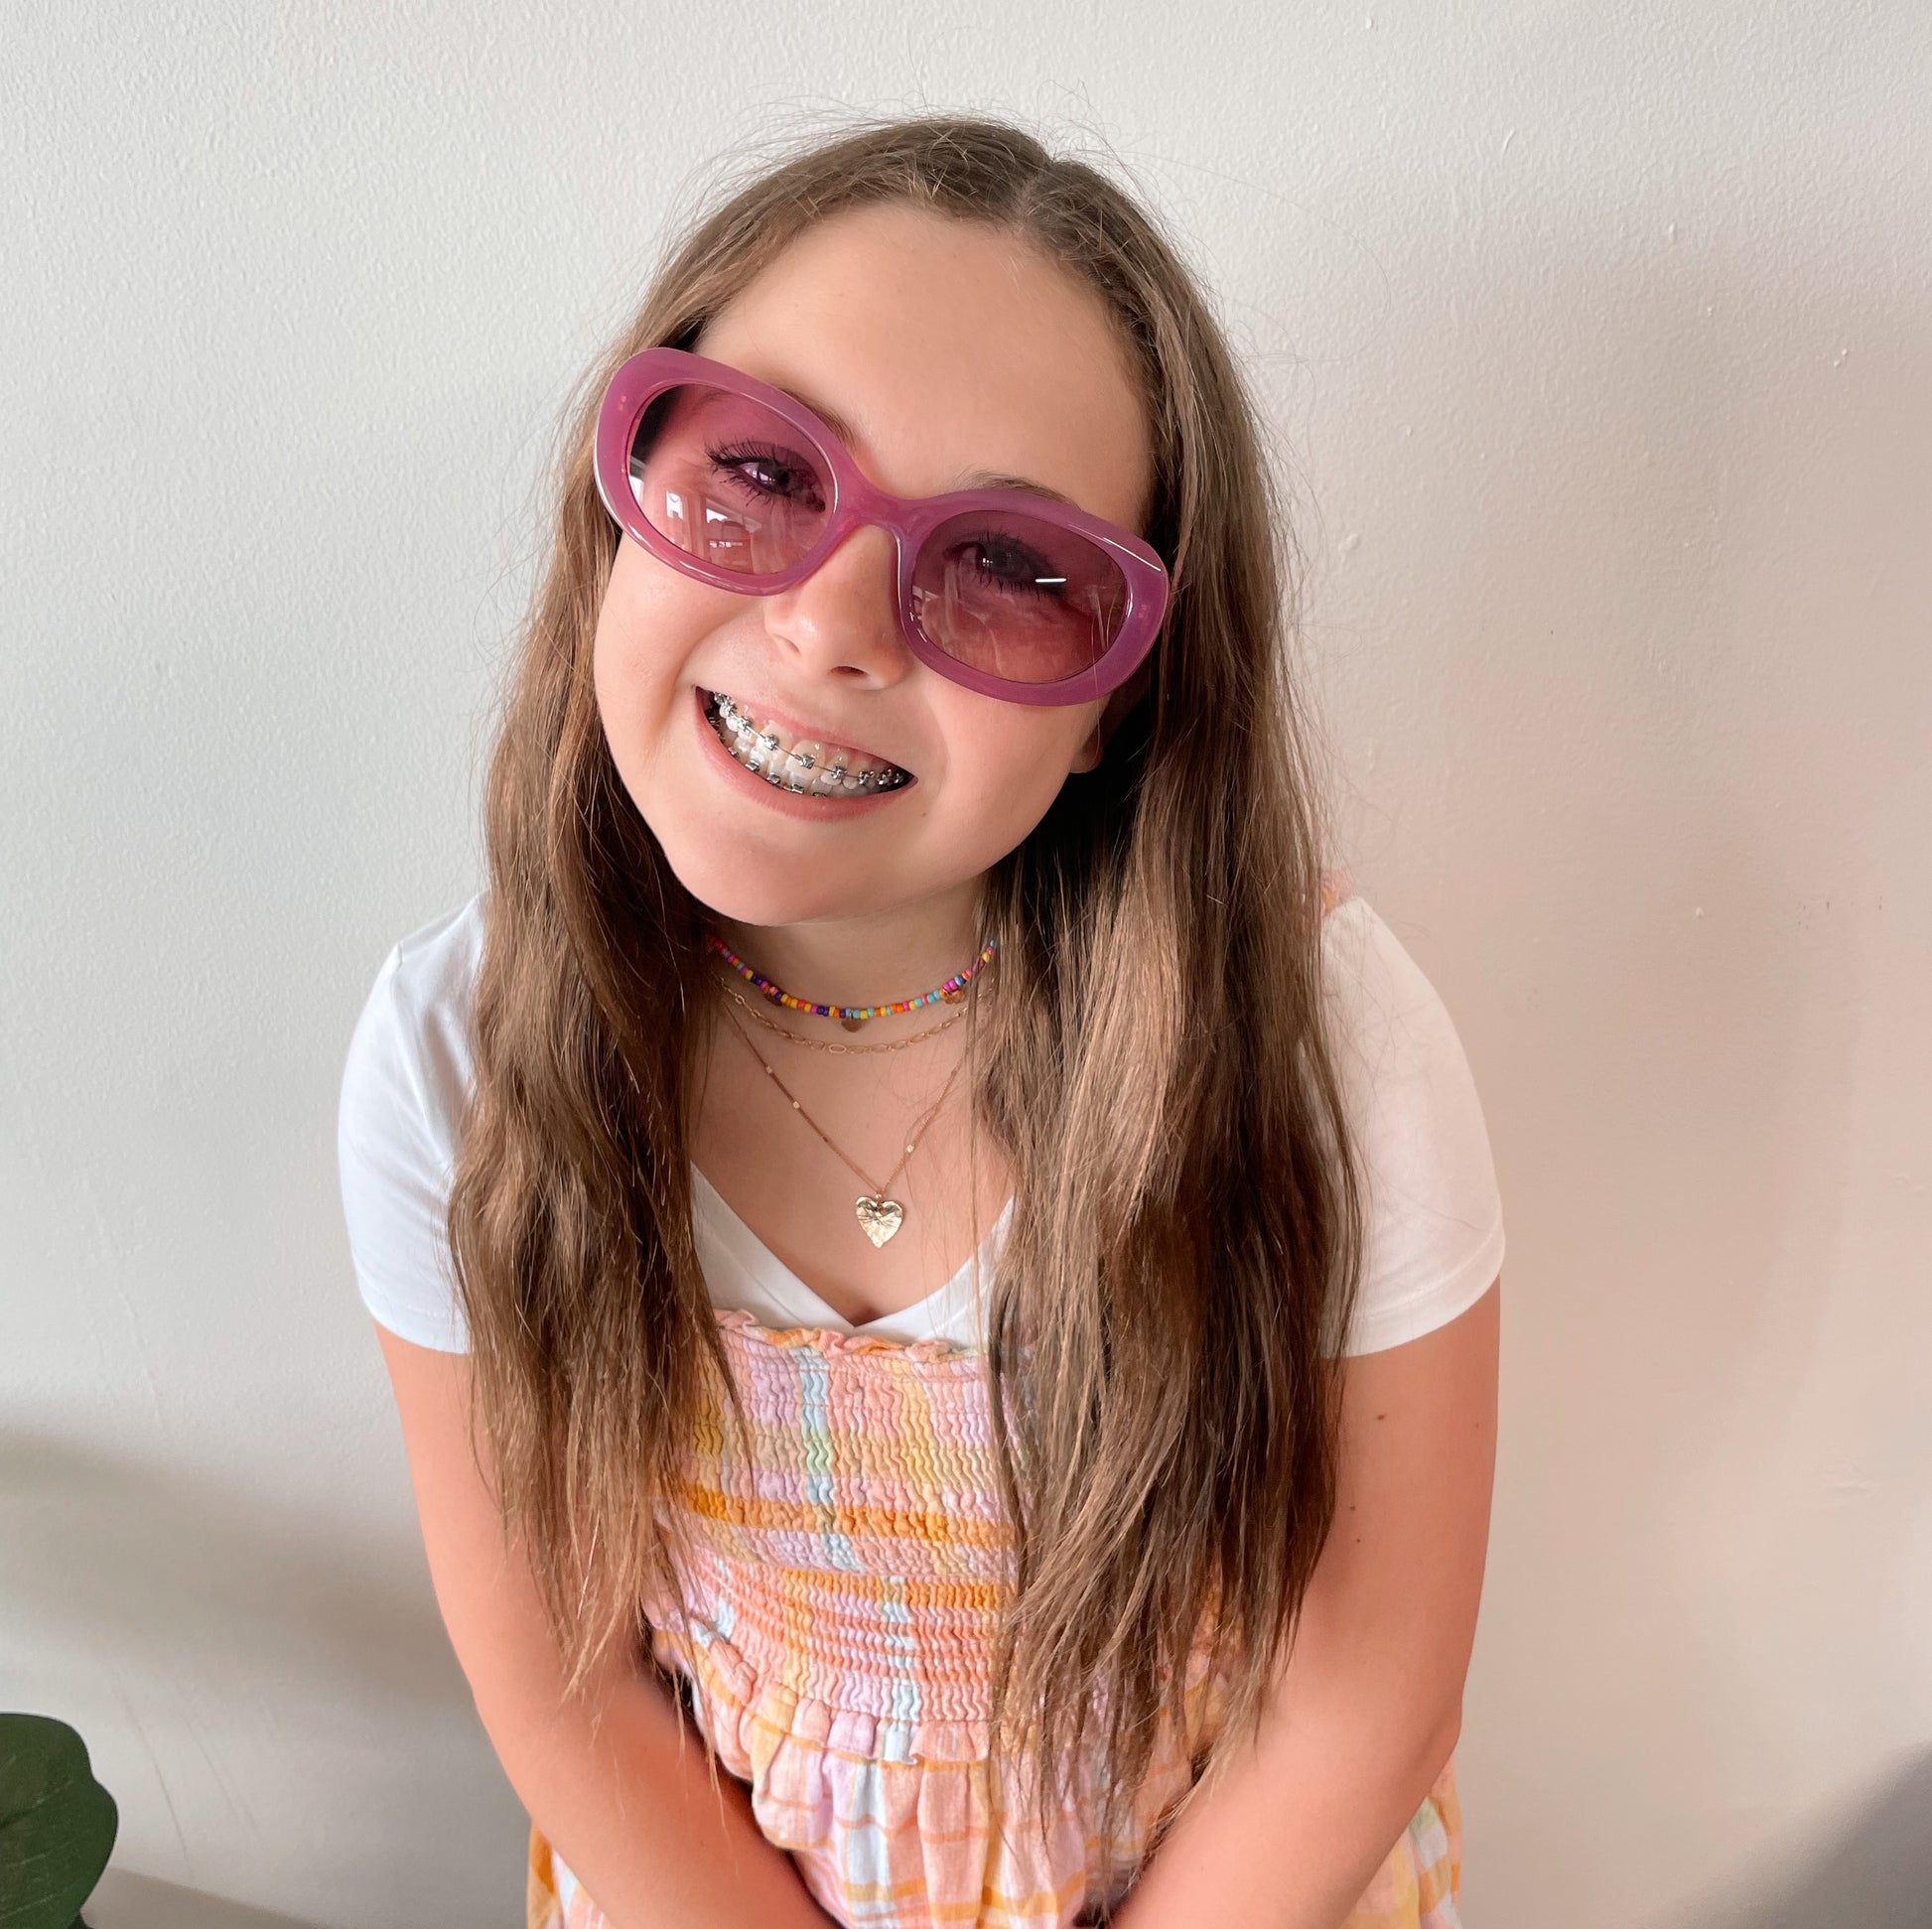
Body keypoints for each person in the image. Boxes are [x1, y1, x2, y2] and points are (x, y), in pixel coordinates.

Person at [337, 113, 1504, 1929]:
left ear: (1122, 704)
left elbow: (1357, 1710)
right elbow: (562, 1695)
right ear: (621, 492)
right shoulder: (456, 1060)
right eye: (760, 472)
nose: (830, 622)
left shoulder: (1311, 1046)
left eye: (1013, 570)